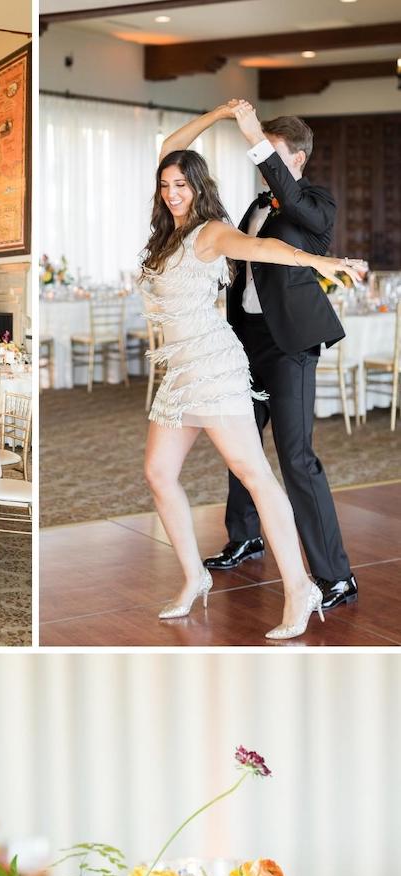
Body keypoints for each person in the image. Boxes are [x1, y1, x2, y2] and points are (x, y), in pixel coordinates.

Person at [142, 101, 365, 640]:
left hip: (260, 352)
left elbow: (270, 246)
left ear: (298, 160)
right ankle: (202, 570)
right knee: (161, 472)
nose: (173, 191)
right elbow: (173, 151)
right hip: (204, 357)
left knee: (281, 463)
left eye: (181, 185)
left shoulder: (293, 205)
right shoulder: (185, 225)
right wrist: (218, 113)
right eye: (166, 185)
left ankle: (312, 582)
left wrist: (325, 263)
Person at [203, 105, 359, 612]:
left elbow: (292, 204)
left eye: (269, 152)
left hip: (289, 343)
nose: (259, 161)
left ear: (295, 157)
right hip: (243, 339)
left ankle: (336, 575)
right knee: (240, 443)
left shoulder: (316, 204)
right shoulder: (255, 204)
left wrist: (254, 139)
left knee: (296, 457)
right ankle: (245, 535)